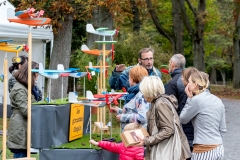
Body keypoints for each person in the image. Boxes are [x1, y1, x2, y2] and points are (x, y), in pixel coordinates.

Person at [135, 76, 191, 160]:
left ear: (149, 91)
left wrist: (147, 140)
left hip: (168, 151)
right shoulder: (159, 102)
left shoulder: (161, 103)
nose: (143, 95)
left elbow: (168, 129)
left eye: (143, 91)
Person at [180, 70, 226, 160]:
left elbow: (183, 119)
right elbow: (223, 129)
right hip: (219, 148)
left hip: (203, 150)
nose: (187, 84)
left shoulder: (196, 100)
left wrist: (189, 99)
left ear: (195, 84)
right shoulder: (218, 100)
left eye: (189, 82)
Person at [7, 61, 39, 158]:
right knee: (21, 156)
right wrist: (41, 114)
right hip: (20, 129)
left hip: (24, 127)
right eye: (36, 75)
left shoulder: (25, 87)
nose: (37, 77)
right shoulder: (19, 89)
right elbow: (26, 111)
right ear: (30, 74)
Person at [164, 54, 194, 156]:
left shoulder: (172, 83)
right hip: (197, 131)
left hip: (181, 131)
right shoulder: (195, 81)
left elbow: (169, 110)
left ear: (172, 64)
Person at [110, 65, 150, 131]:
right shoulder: (135, 93)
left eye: (129, 77)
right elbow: (133, 111)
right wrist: (119, 111)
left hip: (137, 136)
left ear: (132, 79)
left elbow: (142, 117)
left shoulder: (141, 95)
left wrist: (123, 117)